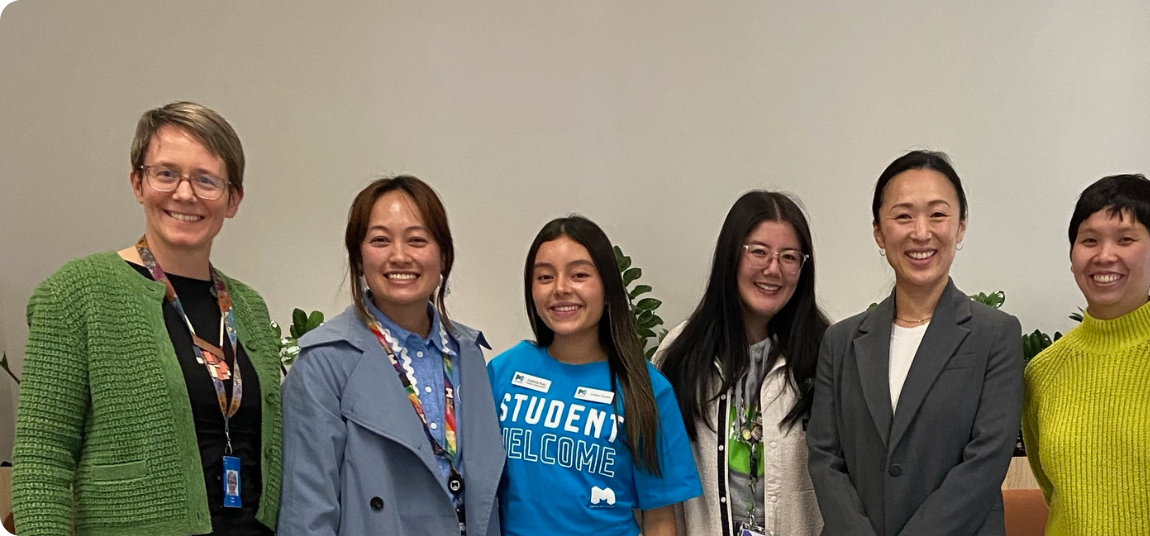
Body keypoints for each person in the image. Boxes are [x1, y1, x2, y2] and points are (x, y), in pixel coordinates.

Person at [12, 101, 282, 535]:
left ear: (233, 200)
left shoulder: (249, 307)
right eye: (167, 173)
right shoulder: (77, 293)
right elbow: (42, 457)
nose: (185, 193)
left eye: (206, 180)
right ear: (138, 182)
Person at [807, 150, 1023, 536]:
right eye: (903, 215)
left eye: (938, 214)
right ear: (878, 231)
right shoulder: (840, 342)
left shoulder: (995, 335)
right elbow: (825, 457)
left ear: (960, 227)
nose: (921, 232)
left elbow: (986, 461)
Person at [279, 176, 504, 536]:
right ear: (359, 256)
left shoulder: (468, 353)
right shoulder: (325, 362)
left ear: (443, 255)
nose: (400, 256)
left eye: (417, 240)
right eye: (380, 240)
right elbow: (306, 515)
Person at [488, 215, 701, 536]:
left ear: (607, 287)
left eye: (579, 274)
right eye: (545, 276)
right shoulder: (503, 373)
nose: (560, 288)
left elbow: (659, 519)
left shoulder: (646, 391)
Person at [1020, 174, 1150, 535]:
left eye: (1126, 240)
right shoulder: (1042, 371)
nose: (1104, 255)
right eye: (1089, 240)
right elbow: (1053, 490)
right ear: (1072, 254)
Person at [655, 191, 832, 536]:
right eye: (759, 252)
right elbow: (658, 480)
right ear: (730, 256)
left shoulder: (826, 354)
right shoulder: (679, 353)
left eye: (789, 257)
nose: (773, 269)